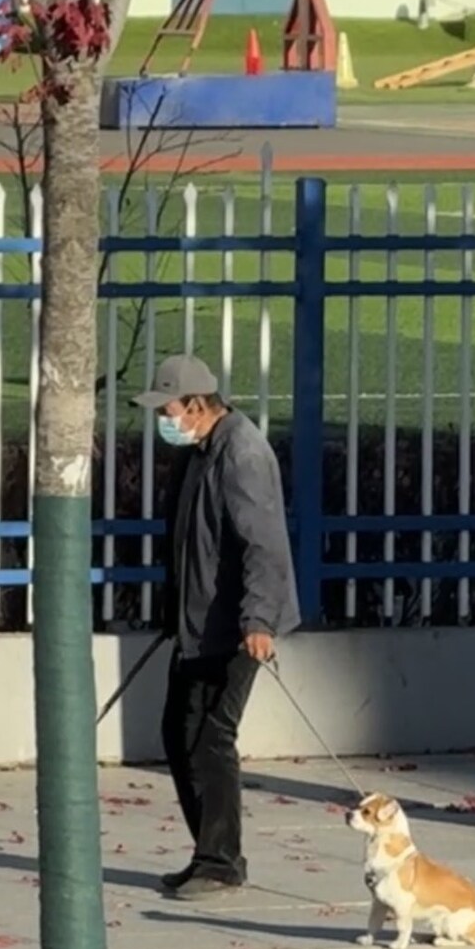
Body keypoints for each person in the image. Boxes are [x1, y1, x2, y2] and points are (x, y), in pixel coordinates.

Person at [133, 355, 300, 900]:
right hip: (198, 623)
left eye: (168, 409)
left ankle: (221, 862)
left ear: (198, 405)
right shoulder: (198, 452)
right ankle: (209, 852)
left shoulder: (242, 454)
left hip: (235, 627)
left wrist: (258, 620)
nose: (163, 419)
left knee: (210, 737)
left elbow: (263, 544)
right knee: (178, 734)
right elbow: (190, 544)